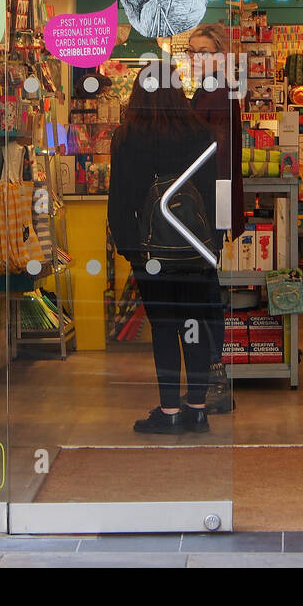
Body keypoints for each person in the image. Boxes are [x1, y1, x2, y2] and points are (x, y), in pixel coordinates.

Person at [108, 59, 221, 433]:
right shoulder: (201, 134)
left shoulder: (128, 137)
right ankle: (198, 408)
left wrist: (131, 249)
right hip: (196, 249)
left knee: (164, 327)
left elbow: (120, 201)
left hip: (152, 251)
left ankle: (169, 411)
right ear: (178, 90)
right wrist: (213, 243)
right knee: (194, 323)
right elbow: (213, 192)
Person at [188, 22, 245, 413]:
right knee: (204, 294)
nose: (196, 59)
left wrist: (211, 214)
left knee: (205, 296)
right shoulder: (210, 92)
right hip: (204, 207)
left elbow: (217, 159)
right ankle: (209, 379)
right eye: (192, 52)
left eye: (204, 51)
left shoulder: (217, 93)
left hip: (205, 208)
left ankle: (213, 380)